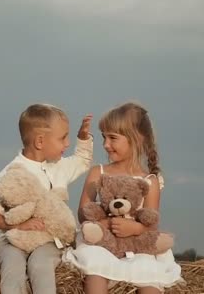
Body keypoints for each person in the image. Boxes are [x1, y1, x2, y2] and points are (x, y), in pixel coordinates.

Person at [64, 102, 183, 294]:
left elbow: (151, 222)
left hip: (136, 246)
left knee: (150, 276)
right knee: (95, 269)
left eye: (112, 138)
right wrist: (105, 223)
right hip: (102, 243)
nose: (106, 145)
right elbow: (83, 212)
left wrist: (135, 227)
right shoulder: (98, 172)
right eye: (104, 137)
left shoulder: (150, 181)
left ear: (136, 139)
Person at [0, 103, 93, 294]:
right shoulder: (12, 173)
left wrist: (83, 138)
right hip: (14, 240)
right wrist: (16, 226)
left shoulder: (59, 167)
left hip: (49, 241)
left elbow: (82, 160)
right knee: (12, 266)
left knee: (40, 265)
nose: (67, 144)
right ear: (40, 142)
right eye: (63, 138)